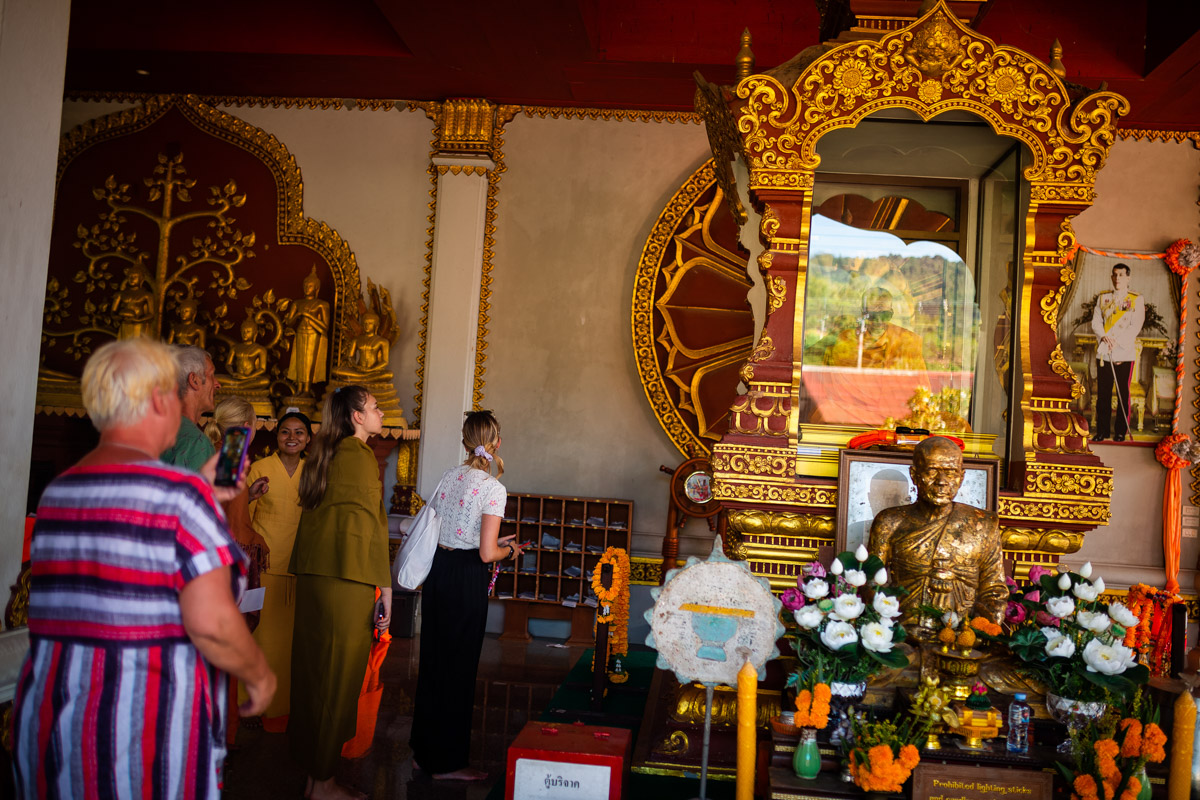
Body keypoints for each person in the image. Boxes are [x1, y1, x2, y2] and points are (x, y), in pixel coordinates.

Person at [12, 338, 276, 799]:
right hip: (137, 722)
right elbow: (213, 617)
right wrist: (257, 671)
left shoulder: (59, 493)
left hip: (54, 713)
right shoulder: (176, 496)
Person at [410, 410, 525, 781]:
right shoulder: (494, 488)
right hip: (465, 579)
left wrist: (490, 542)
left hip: (440, 574)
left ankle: (422, 752)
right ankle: (448, 763)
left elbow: (454, 528)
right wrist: (511, 551)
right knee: (459, 668)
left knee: (433, 661)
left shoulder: (449, 476)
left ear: (464, 440)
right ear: (497, 442)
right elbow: (486, 553)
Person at [289, 386, 390, 800]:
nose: (381, 412)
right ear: (356, 417)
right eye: (375, 407)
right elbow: (370, 526)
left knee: (315, 675)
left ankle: (315, 777)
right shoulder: (358, 457)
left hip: (317, 574)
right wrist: (385, 588)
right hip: (346, 575)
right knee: (338, 678)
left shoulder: (324, 452)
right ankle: (324, 783)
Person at [867, 436, 1007, 639]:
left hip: (963, 641)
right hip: (905, 636)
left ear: (962, 476)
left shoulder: (982, 524)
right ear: (914, 475)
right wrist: (896, 629)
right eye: (932, 471)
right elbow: (871, 583)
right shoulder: (890, 522)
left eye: (950, 473)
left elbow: (994, 590)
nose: (941, 481)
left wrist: (979, 632)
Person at [244, 410, 312, 732]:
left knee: (289, 644)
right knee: (252, 634)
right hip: (261, 568)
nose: (292, 438)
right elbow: (242, 514)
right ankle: (247, 702)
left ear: (308, 439)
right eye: (286, 432)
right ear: (277, 436)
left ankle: (283, 708)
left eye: (299, 433)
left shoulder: (314, 472)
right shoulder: (259, 468)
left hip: (299, 567)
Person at [1090, 262, 1144, 442]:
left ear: (1128, 277)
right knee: (1103, 394)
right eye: (1114, 275)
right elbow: (1096, 322)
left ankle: (1120, 431)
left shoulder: (1136, 299)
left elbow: (1135, 326)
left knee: (1122, 393)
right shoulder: (1103, 298)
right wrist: (1105, 337)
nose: (1117, 278)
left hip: (1124, 353)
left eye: (1121, 275)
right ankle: (1102, 431)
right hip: (1105, 353)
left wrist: (1117, 342)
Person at [823, 287, 927, 371]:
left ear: (891, 313)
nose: (878, 320)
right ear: (863, 313)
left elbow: (920, 384)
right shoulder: (847, 339)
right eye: (872, 315)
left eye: (884, 315)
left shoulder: (907, 340)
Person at [161, 344, 221, 470]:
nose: (217, 384)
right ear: (194, 380)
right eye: (211, 375)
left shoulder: (148, 428)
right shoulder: (196, 443)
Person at [286, 267, 330, 394]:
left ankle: (306, 389)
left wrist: (309, 316)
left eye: (310, 286)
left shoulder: (322, 304)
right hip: (300, 333)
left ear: (316, 288)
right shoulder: (297, 303)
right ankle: (299, 388)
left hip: (313, 334)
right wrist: (297, 315)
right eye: (305, 285)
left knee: (310, 362)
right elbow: (289, 323)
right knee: (300, 362)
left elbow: (325, 327)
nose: (307, 288)